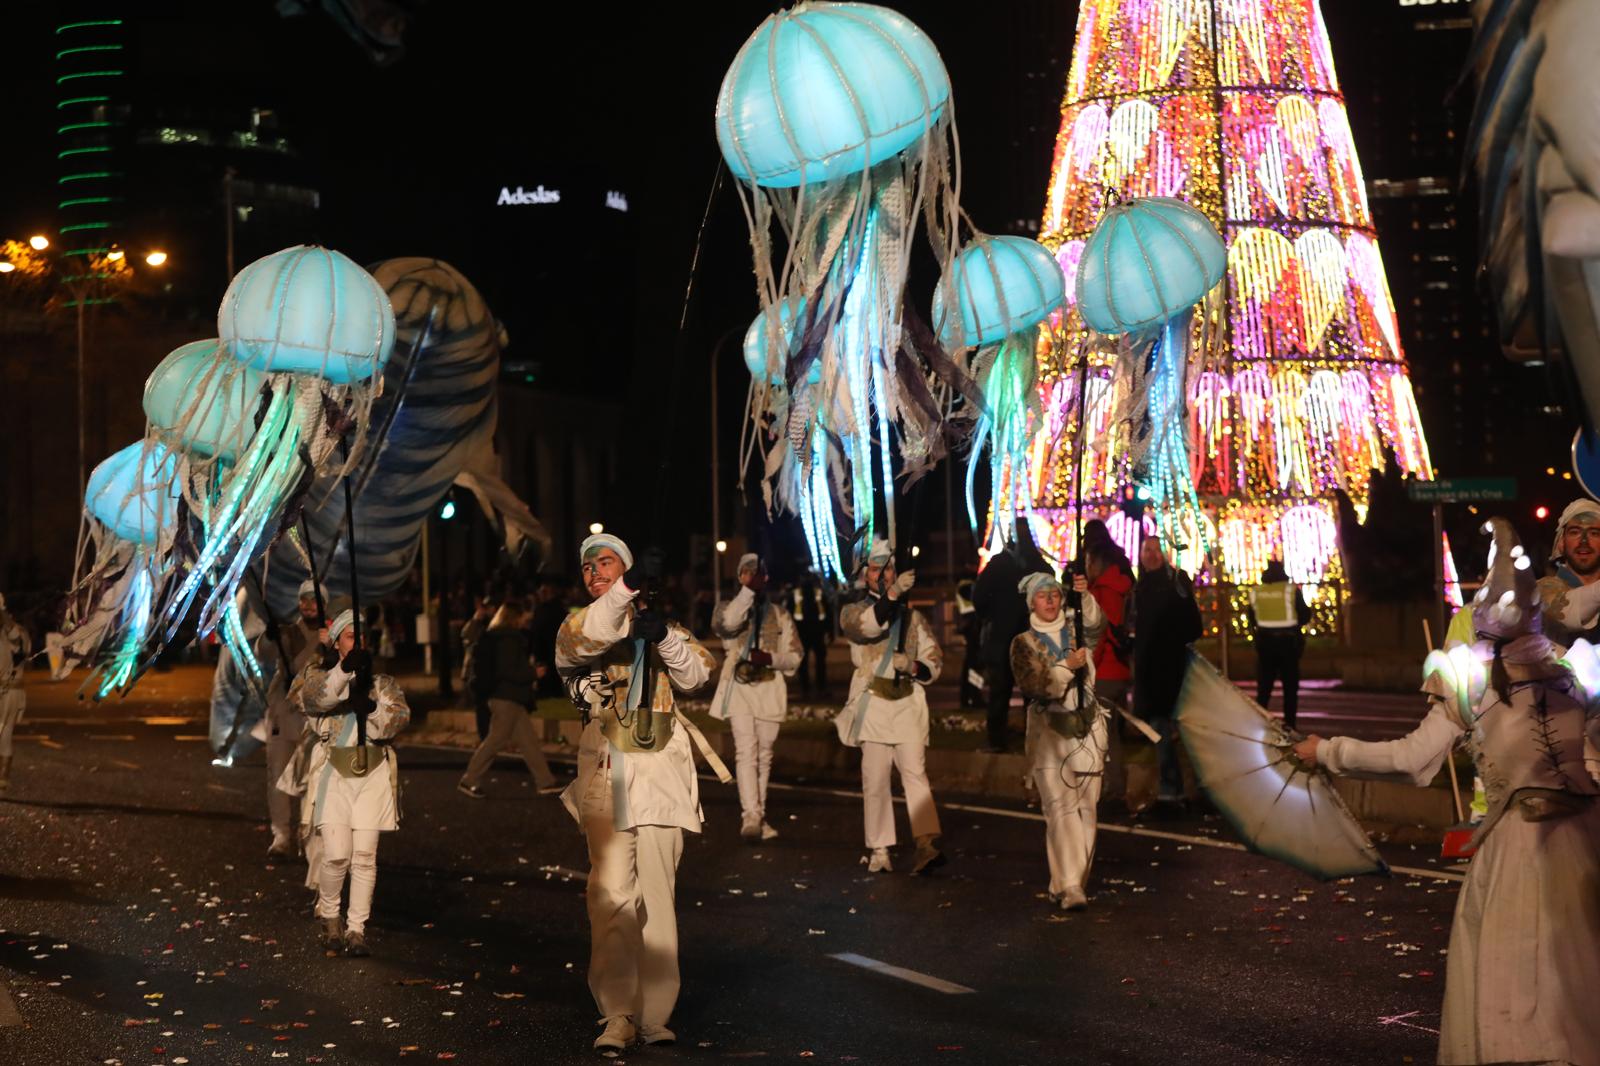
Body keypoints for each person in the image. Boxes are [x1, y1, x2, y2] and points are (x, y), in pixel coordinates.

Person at [1294, 518, 1600, 1065]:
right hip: (1583, 851)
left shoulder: (1474, 687)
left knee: (1519, 1008)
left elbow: (1412, 761)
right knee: (1576, 1006)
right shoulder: (1576, 679)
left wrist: (1327, 751)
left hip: (1517, 858)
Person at [555, 532, 718, 1053]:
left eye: (607, 564)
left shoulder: (661, 626)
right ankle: (618, 1013)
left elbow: (698, 675)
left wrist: (663, 635)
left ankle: (655, 1015)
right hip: (607, 773)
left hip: (661, 778)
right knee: (611, 898)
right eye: (588, 568)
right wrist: (627, 589)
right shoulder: (578, 627)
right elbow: (589, 638)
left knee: (658, 898)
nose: (594, 572)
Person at [281, 605, 411, 957]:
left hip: (373, 776)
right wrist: (342, 673)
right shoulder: (319, 674)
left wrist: (369, 708)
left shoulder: (382, 683)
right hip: (334, 775)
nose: (359, 642)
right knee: (336, 855)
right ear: (337, 642)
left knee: (365, 857)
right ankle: (330, 916)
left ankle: (356, 929)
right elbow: (311, 699)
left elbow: (398, 719)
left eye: (362, 636)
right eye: (351, 637)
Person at [835, 539, 946, 875]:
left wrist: (914, 666)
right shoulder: (852, 612)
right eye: (876, 569)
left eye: (889, 569)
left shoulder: (913, 619)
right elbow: (870, 626)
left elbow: (935, 659)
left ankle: (926, 843)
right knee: (876, 779)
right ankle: (880, 847)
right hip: (873, 704)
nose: (883, 576)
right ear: (866, 576)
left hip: (907, 704)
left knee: (915, 774)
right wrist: (893, 595)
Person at [1010, 570, 1106, 910]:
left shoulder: (1075, 627)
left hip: (1088, 730)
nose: (1050, 600)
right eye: (1042, 595)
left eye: (1054, 593)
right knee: (1060, 809)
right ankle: (1070, 885)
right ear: (1031, 603)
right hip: (1049, 734)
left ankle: (1068, 880)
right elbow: (1035, 686)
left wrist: (1085, 597)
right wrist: (1066, 667)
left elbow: (1097, 626)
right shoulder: (1023, 643)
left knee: (1087, 810)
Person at [711, 553, 802, 841]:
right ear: (739, 577)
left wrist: (770, 658)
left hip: (769, 688)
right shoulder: (727, 608)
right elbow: (727, 624)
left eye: (757, 572)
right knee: (746, 752)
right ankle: (750, 815)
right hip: (739, 689)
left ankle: (758, 816)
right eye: (746, 572)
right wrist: (748, 592)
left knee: (764, 755)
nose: (751, 576)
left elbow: (796, 656)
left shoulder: (780, 614)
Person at [457, 600, 560, 798]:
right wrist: (533, 673)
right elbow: (509, 671)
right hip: (506, 697)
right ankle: (469, 779)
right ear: (514, 617)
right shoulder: (508, 640)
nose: (526, 619)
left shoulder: (498, 637)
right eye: (522, 615)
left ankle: (545, 781)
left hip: (508, 697)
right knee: (495, 741)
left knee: (528, 741)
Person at [1132, 535, 1202, 809]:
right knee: (1164, 731)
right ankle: (1177, 789)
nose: (1150, 555)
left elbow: (1192, 626)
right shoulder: (1142, 587)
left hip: (1170, 668)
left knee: (1169, 731)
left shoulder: (1174, 582)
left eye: (1155, 550)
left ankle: (1173, 791)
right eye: (1146, 550)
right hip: (1151, 669)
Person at [262, 580, 326, 860]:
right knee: (277, 774)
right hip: (282, 711)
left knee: (311, 778)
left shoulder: (331, 636)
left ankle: (307, 835)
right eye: (304, 599)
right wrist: (268, 636)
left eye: (314, 599)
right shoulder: (286, 631)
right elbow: (263, 653)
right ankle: (282, 835)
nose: (309, 604)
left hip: (314, 717)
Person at [971, 529, 1051, 752]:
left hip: (1001, 637)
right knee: (1032, 694)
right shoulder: (1038, 564)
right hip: (1031, 638)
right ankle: (1035, 740)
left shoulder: (998, 565)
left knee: (999, 691)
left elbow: (978, 597)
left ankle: (997, 740)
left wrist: (990, 616)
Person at [1247, 559, 1312, 730]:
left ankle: (1258, 724)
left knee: (1264, 687)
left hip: (1265, 643)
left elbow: (1251, 617)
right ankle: (1290, 724)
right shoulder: (1290, 590)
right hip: (1288, 643)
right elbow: (1305, 615)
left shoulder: (1256, 592)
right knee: (1290, 688)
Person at [1537, 498, 1600, 648]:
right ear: (1561, 543)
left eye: (1594, 533)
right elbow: (1564, 614)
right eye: (1575, 532)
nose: (1584, 541)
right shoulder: (1541, 590)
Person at [0, 594, 31, 793]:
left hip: (8, 691)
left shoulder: (15, 633)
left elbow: (16, 641)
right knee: (4, 736)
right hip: (8, 691)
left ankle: (3, 779)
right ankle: (2, 779)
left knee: (4, 735)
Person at [460, 597, 496, 740]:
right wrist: (476, 618)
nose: (488, 611)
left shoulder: (493, 626)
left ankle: (488, 737)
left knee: (488, 708)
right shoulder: (476, 626)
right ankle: (485, 738)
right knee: (482, 709)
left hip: (488, 672)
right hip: (476, 673)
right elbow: (465, 635)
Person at [791, 570, 831, 697]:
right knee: (813, 662)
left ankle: (811, 688)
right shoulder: (817, 594)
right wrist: (829, 631)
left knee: (813, 662)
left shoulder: (798, 594)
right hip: (811, 632)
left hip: (809, 632)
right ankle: (813, 688)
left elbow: (827, 613)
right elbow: (828, 614)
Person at [530, 577, 569, 698]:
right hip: (543, 648)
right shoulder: (541, 609)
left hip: (553, 648)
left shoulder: (556, 609)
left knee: (552, 676)